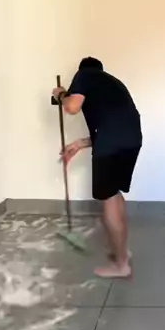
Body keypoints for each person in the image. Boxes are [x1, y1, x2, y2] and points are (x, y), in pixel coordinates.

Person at [52, 57, 142, 278]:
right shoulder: (112, 83)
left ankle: (121, 265)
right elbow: (110, 125)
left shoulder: (85, 75)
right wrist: (78, 144)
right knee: (115, 193)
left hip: (112, 143)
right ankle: (123, 251)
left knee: (108, 199)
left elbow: (72, 107)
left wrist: (60, 94)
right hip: (132, 140)